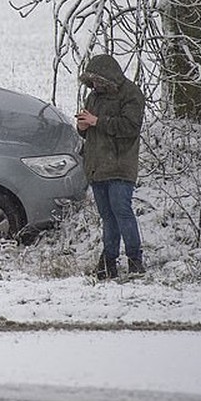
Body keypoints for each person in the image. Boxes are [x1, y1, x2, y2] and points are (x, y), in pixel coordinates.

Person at [76, 53, 146, 279]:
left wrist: (97, 122)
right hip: (97, 165)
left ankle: (135, 262)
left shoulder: (131, 94)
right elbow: (84, 130)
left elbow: (130, 127)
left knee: (122, 212)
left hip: (119, 164)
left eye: (98, 80)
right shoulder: (93, 97)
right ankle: (108, 265)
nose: (95, 85)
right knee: (107, 216)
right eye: (92, 81)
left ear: (109, 77)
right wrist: (83, 126)